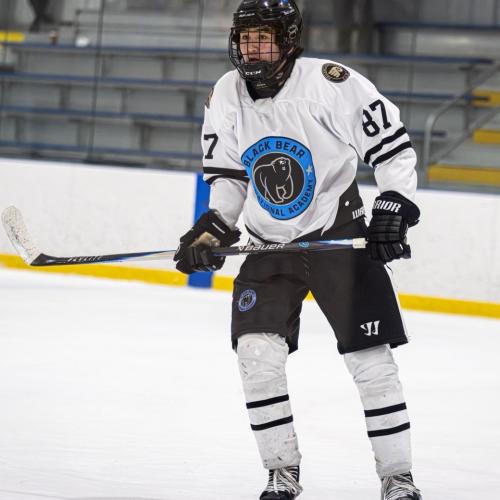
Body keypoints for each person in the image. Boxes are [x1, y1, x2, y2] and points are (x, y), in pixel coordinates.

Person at [174, 1, 422, 499]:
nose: (253, 49)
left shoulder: (330, 84)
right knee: (256, 355)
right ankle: (281, 472)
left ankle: (398, 478)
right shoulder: (225, 94)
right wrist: (214, 227)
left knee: (372, 363)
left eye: (264, 39)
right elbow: (229, 175)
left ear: (288, 42)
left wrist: (394, 204)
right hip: (269, 245)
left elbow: (392, 149)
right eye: (246, 39)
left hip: (339, 235)